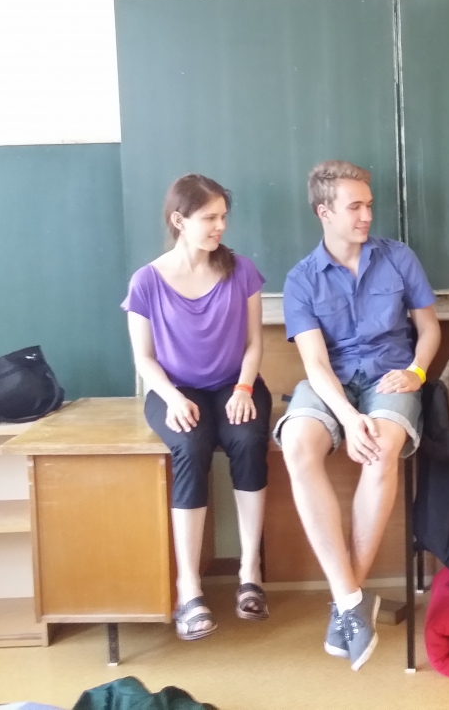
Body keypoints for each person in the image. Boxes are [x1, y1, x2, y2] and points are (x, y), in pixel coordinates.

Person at [276, 160, 440, 671]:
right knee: (297, 444)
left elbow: (429, 329)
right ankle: (350, 600)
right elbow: (315, 363)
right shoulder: (301, 279)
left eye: (369, 205)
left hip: (392, 376)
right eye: (355, 207)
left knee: (381, 449)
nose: (367, 215)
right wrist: (347, 418)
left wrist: (416, 372)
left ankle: (345, 602)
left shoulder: (398, 258)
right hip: (332, 382)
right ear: (324, 212)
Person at [123, 174, 272, 641]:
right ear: (179, 220)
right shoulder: (147, 281)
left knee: (247, 439)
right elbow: (144, 358)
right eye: (209, 217)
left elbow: (254, 343)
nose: (220, 226)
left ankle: (251, 571)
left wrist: (244, 388)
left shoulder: (241, 270)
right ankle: (188, 587)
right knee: (191, 446)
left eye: (223, 216)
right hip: (173, 390)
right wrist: (172, 397)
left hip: (236, 384)